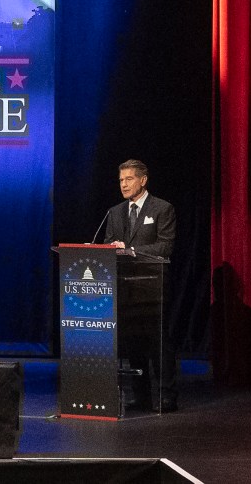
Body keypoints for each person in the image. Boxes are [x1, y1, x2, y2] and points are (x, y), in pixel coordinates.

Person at [102, 159, 178, 412]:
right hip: (126, 288)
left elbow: (165, 246)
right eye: (121, 180)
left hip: (153, 286)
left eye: (129, 179)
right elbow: (109, 242)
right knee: (133, 343)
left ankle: (166, 395)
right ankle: (141, 395)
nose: (123, 185)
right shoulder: (115, 212)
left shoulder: (162, 209)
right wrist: (111, 249)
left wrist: (131, 250)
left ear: (143, 180)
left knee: (158, 344)